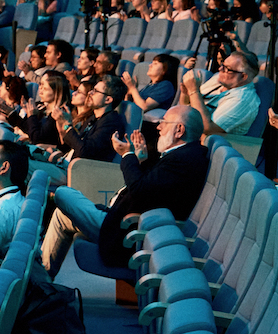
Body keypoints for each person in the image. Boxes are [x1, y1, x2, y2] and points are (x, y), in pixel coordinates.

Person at [41, 106, 206, 276]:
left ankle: (41, 281)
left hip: (124, 231)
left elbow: (139, 190)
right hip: (118, 219)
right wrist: (141, 160)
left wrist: (127, 155)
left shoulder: (183, 160)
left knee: (62, 193)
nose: (158, 127)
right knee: (61, 216)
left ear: (179, 130)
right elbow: (152, 188)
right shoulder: (183, 155)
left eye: (164, 122)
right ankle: (43, 279)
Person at [177, 47, 260, 136]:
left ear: (243, 76)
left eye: (227, 69)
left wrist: (194, 91)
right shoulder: (218, 80)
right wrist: (186, 93)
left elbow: (207, 128)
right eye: (222, 65)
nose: (220, 69)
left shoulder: (243, 99)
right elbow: (186, 106)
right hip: (184, 130)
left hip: (205, 141)